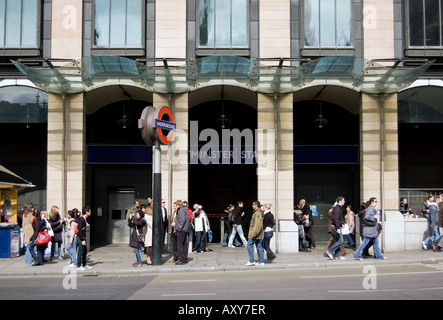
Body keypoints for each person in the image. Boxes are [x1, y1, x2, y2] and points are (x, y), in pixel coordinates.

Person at [171, 200, 190, 265]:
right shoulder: (184, 209)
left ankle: (182, 259)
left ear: (177, 205)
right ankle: (184, 259)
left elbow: (182, 220)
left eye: (175, 205)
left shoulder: (181, 210)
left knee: (180, 245)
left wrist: (178, 227)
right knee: (183, 244)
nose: (174, 207)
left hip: (181, 230)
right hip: (184, 229)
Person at [246, 201, 264, 266]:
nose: (252, 206)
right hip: (257, 234)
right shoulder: (258, 213)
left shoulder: (257, 213)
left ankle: (252, 261)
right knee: (259, 246)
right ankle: (261, 261)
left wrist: (254, 233)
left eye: (253, 205)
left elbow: (257, 224)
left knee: (249, 245)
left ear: (256, 205)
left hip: (254, 233)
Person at [77, 207, 92, 271]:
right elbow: (80, 230)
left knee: (84, 252)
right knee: (80, 251)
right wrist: (82, 239)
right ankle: (79, 265)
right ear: (86, 212)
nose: (90, 213)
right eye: (89, 211)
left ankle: (85, 264)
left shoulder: (84, 219)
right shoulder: (81, 220)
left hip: (83, 237)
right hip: (81, 238)